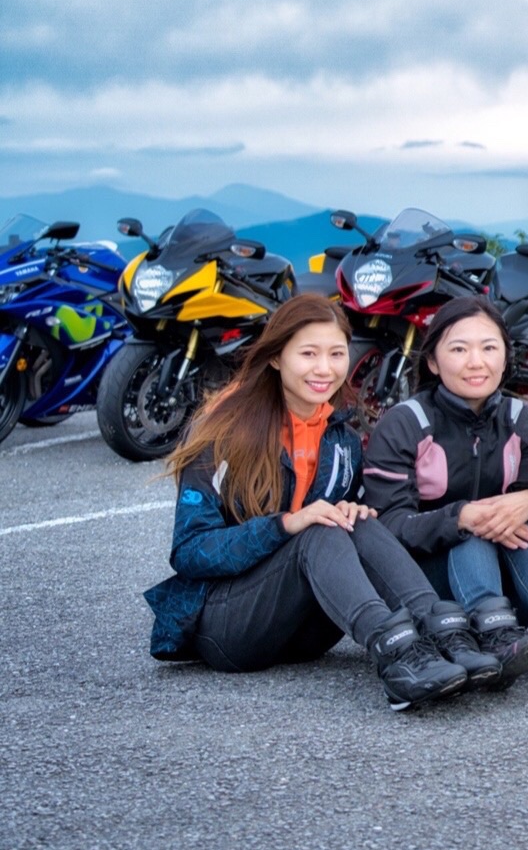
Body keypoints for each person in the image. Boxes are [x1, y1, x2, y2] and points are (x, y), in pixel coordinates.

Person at [143, 294, 470, 710]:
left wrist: (353, 510)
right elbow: (189, 552)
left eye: (336, 354)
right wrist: (285, 524)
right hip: (228, 627)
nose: (324, 368)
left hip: (305, 630)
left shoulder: (343, 441)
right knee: (316, 529)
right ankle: (397, 658)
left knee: (356, 522)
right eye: (309, 353)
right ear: (277, 357)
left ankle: (442, 636)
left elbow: (343, 543)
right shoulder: (224, 431)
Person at [361, 296, 528, 690]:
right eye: (459, 349)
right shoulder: (404, 424)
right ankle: (494, 635)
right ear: (433, 361)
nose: (477, 361)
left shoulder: (520, 418)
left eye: (489, 348)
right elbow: (384, 528)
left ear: (506, 357)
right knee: (472, 533)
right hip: (426, 587)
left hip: (510, 587)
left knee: (526, 525)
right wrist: (459, 517)